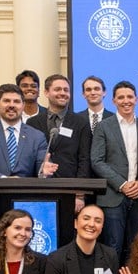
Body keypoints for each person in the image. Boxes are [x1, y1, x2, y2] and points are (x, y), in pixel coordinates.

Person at [0, 83, 55, 262]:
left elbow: (41, 166)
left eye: (16, 101)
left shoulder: (36, 136)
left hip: (24, 209)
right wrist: (5, 179)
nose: (11, 105)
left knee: (24, 260)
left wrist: (44, 170)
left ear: (23, 105)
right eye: (6, 101)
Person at [91, 80, 138, 263]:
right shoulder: (103, 126)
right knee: (112, 247)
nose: (126, 101)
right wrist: (122, 185)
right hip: (113, 197)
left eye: (130, 97)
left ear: (136, 99)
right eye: (121, 97)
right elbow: (97, 161)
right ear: (114, 101)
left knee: (137, 248)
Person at [27, 74, 91, 212]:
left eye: (66, 90)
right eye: (57, 89)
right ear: (46, 92)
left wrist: (79, 194)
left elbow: (84, 159)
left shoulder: (80, 123)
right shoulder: (32, 123)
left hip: (69, 189)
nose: (63, 93)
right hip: (40, 188)